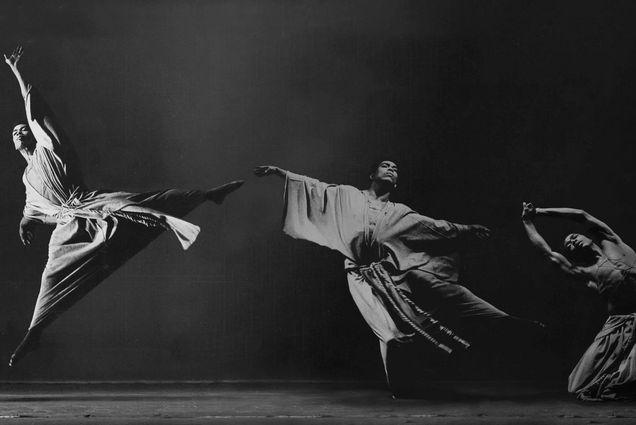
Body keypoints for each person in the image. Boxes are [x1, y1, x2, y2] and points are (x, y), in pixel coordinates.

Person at [5, 46, 244, 367]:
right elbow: (31, 210)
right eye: (14, 133)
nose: (19, 132)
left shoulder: (51, 147)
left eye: (21, 129)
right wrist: (25, 224)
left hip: (89, 203)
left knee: (143, 206)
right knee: (51, 273)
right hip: (69, 225)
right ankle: (35, 333)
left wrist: (17, 72)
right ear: (14, 144)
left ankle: (206, 195)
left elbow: (32, 109)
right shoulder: (27, 178)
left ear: (32, 138)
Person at [255, 161, 534, 394]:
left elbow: (434, 227)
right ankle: (400, 387)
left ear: (396, 183)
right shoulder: (348, 195)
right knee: (391, 336)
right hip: (360, 275)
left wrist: (467, 229)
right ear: (372, 175)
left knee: (448, 293)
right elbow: (315, 188)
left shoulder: (400, 213)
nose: (391, 169)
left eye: (395, 169)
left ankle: (507, 321)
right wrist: (281, 173)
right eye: (385, 166)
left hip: (391, 273)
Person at [521, 202, 636, 400]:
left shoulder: (612, 241)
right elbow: (547, 253)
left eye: (574, 237)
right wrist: (527, 222)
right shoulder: (586, 273)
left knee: (630, 374)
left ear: (587, 236)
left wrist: (538, 212)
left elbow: (581, 215)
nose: (573, 241)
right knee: (577, 384)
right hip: (618, 324)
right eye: (569, 246)